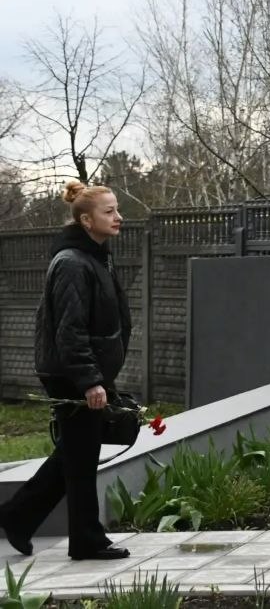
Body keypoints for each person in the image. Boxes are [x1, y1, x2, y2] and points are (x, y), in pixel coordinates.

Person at [0, 181, 132, 561]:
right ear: (86, 219)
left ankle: (17, 516)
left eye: (117, 209)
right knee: (80, 455)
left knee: (76, 453)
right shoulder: (73, 263)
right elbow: (69, 331)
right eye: (109, 212)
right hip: (71, 374)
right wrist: (89, 380)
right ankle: (86, 539)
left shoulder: (95, 256)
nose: (118, 217)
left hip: (83, 370)